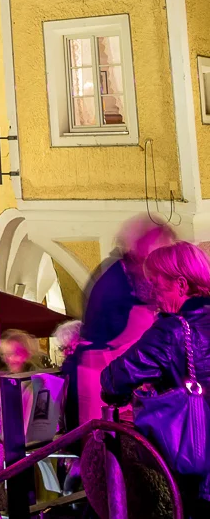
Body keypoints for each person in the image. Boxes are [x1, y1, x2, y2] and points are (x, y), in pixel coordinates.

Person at [101, 241, 210, 515]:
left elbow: (113, 380)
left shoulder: (172, 331)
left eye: (156, 284)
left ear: (181, 285)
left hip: (200, 471)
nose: (151, 294)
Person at [78, 216, 177, 421]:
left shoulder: (138, 278)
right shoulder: (115, 281)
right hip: (103, 377)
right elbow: (118, 338)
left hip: (125, 378)